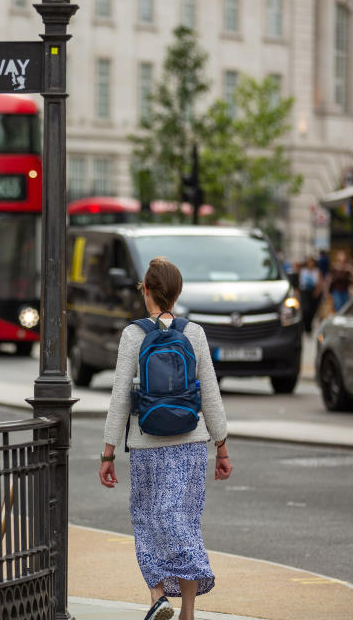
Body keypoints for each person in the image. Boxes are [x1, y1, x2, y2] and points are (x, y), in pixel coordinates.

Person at [98, 257, 231, 620]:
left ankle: (158, 597)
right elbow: (211, 396)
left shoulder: (133, 334)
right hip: (192, 443)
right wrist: (221, 445)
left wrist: (107, 453)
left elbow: (120, 399)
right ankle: (187, 611)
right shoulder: (196, 333)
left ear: (146, 290)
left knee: (147, 519)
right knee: (184, 520)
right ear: (177, 292)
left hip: (146, 445)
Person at [298, 256, 322, 334]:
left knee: (312, 310)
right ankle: (306, 326)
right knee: (306, 309)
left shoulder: (316, 271)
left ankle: (309, 325)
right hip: (305, 292)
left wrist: (317, 291)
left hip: (313, 292)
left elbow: (320, 282)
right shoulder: (303, 271)